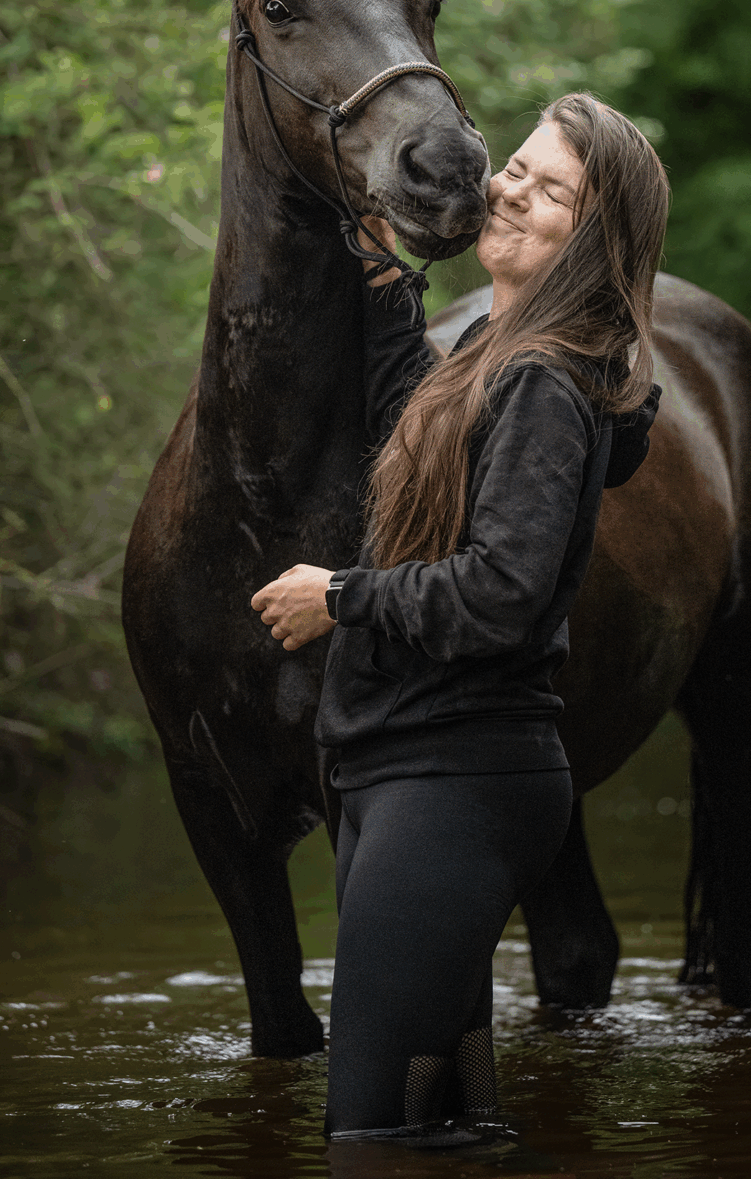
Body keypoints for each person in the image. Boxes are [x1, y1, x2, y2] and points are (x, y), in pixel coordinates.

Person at [251, 92, 670, 1145]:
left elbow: (500, 592)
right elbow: (419, 408)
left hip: (457, 784)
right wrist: (383, 269)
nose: (510, 192)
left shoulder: (540, 379)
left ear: (591, 238)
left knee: (368, 1137)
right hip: (412, 773)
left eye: (551, 191)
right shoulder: (498, 348)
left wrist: (340, 596)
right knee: (446, 1124)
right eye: (515, 169)